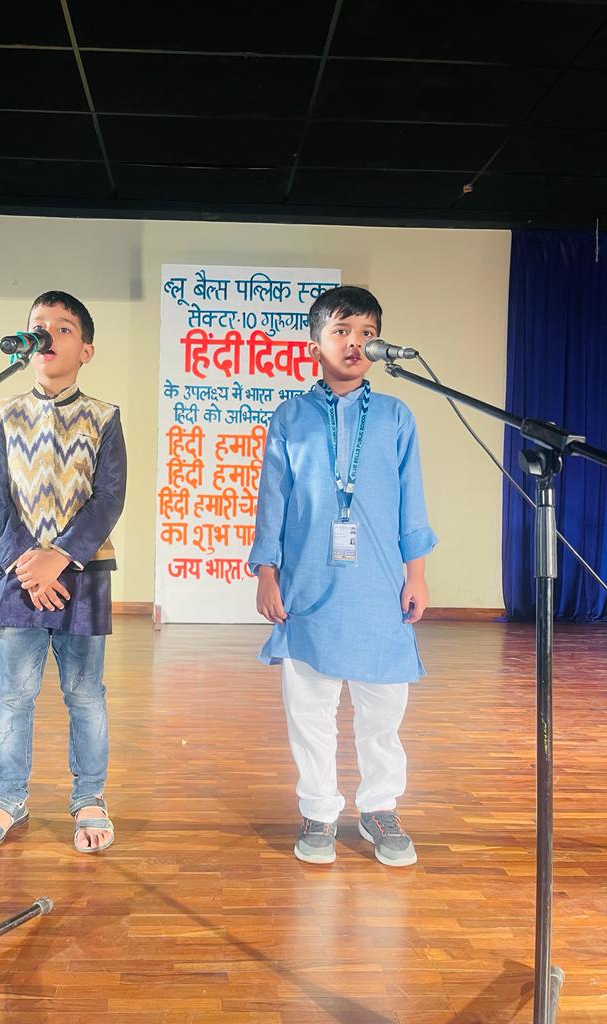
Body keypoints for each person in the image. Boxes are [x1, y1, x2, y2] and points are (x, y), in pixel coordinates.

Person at [249, 285, 437, 867]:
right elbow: (273, 501)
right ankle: (319, 811)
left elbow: (412, 501)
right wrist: (266, 572)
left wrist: (416, 575)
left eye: (367, 333)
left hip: (380, 587)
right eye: (341, 331)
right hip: (307, 583)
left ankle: (380, 809)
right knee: (310, 709)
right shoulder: (290, 417)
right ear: (316, 344)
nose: (356, 343)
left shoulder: (396, 416)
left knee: (383, 711)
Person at [0, 290, 126, 855]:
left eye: (63, 327)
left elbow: (108, 498)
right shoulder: (3, 413)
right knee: (14, 696)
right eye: (38, 325)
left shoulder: (104, 417)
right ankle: (7, 799)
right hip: (17, 575)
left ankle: (90, 798)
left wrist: (61, 556)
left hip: (84, 573)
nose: (48, 334)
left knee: (85, 694)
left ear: (86, 350)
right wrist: (26, 562)